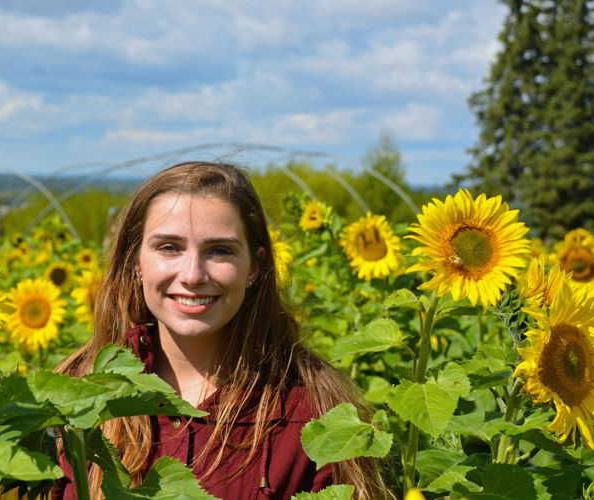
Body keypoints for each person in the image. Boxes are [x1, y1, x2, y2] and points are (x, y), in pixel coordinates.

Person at [52, 162, 392, 500]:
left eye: (219, 250)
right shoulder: (75, 395)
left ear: (255, 267)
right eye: (169, 247)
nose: (193, 274)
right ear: (136, 261)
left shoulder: (313, 410)